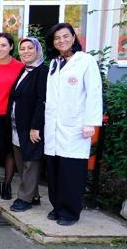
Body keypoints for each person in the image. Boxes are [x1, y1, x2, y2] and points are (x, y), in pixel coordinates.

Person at [44, 23, 102, 226]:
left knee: (71, 171)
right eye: (57, 38)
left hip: (76, 127)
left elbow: (94, 93)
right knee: (54, 170)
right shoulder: (54, 63)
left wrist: (90, 123)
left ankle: (70, 212)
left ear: (73, 37)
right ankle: (57, 207)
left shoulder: (85, 61)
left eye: (65, 36)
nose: (62, 40)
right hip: (54, 126)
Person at [0, 32, 24, 200]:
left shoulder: (21, 66)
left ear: (11, 47)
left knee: (9, 152)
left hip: (12, 115)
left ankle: (7, 186)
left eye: (3, 45)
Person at [8, 38, 47, 212]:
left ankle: (24, 198)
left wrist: (35, 126)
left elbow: (42, 100)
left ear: (37, 50)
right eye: (22, 49)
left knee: (31, 162)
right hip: (18, 124)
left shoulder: (42, 71)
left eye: (30, 48)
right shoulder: (24, 70)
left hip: (31, 126)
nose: (26, 51)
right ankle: (34, 195)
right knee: (21, 160)